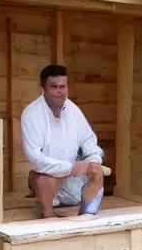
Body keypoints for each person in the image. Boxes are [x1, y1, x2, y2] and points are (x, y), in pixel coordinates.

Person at [20, 64, 105, 218]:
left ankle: (86, 217)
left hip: (72, 177)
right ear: (43, 88)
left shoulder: (73, 110)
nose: (59, 92)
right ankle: (49, 215)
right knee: (43, 179)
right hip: (49, 176)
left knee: (97, 170)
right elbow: (36, 158)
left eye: (62, 86)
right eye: (54, 87)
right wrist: (69, 168)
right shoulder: (31, 114)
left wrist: (93, 161)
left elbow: (89, 141)